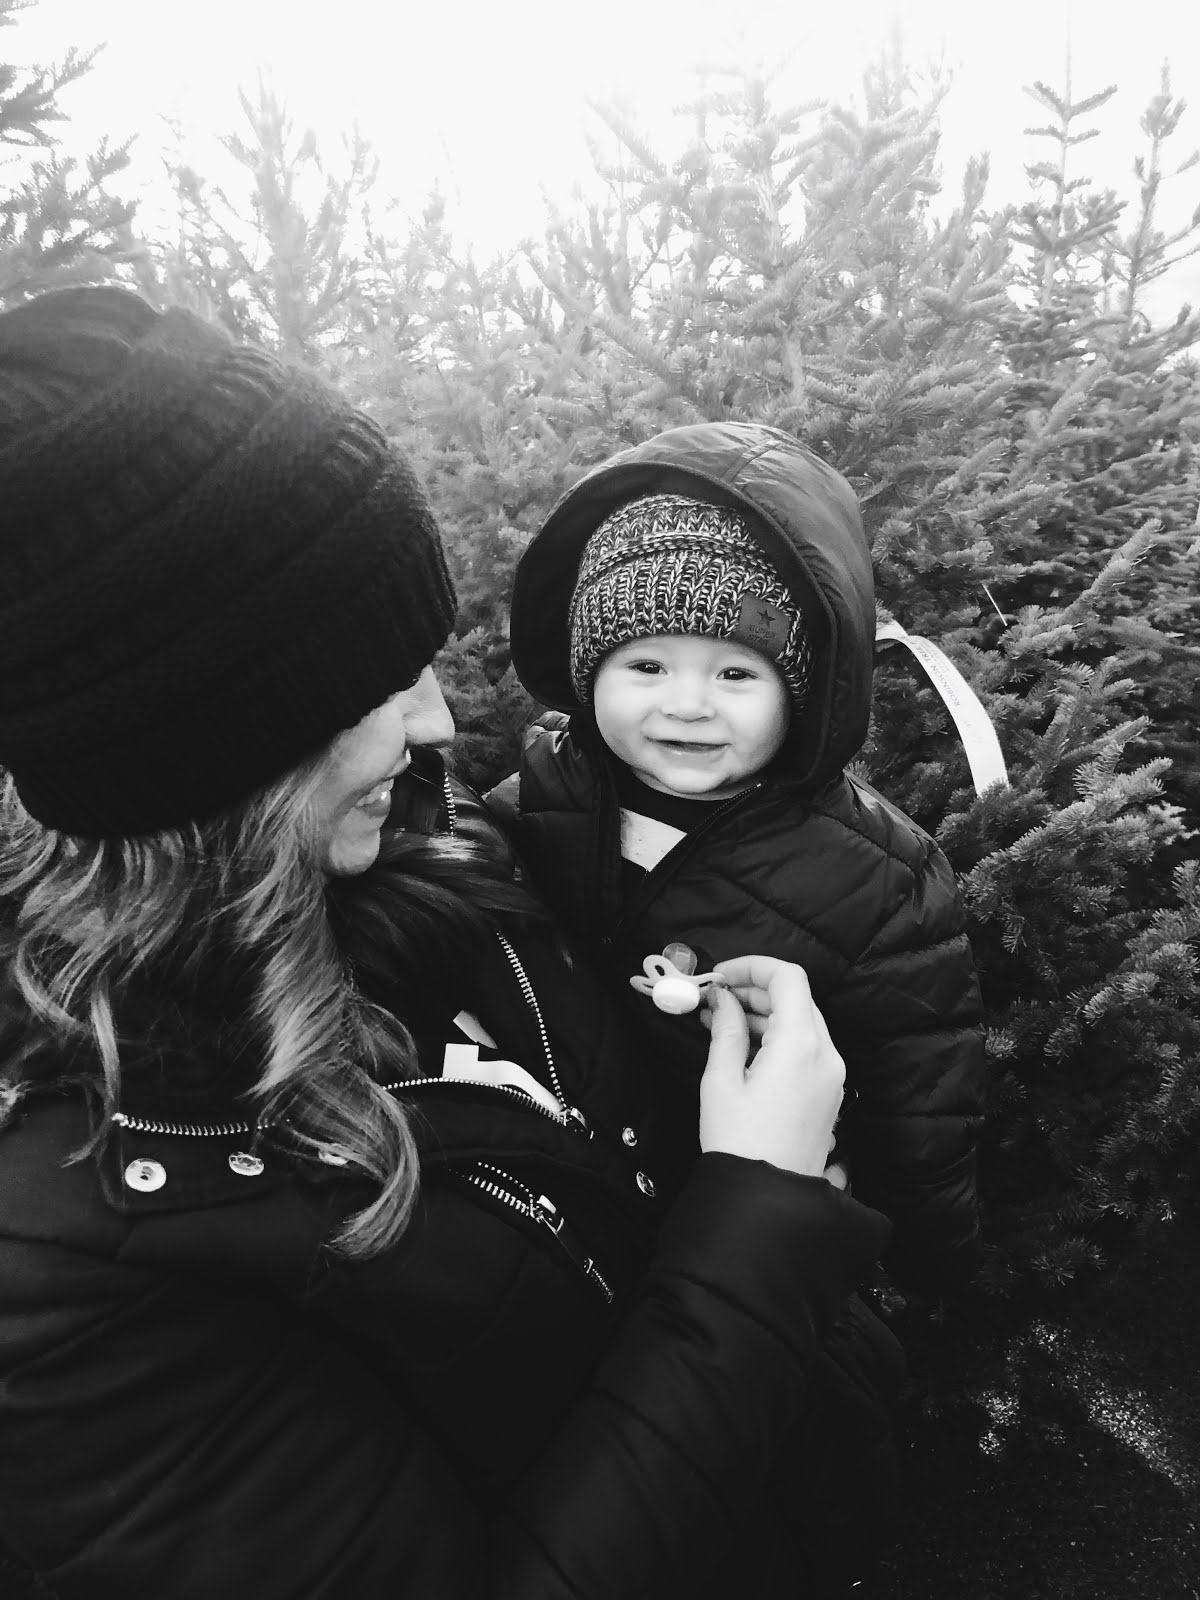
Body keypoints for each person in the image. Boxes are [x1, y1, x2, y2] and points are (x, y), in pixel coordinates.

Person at [0, 286, 889, 1600]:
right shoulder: (63, 1280)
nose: (437, 721)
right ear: (215, 747)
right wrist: (758, 1211)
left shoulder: (413, 836)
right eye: (378, 685)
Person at [494, 425, 987, 1297]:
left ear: (800, 691)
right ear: (587, 671)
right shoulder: (530, 801)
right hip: (567, 1214)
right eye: (647, 664)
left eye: (735, 675)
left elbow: (923, 1101)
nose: (687, 705)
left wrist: (921, 1267)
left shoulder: (881, 881)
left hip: (749, 1228)